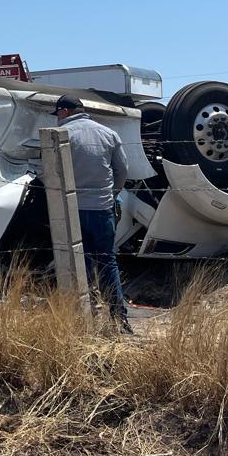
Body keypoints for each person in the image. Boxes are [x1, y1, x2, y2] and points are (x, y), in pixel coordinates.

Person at [53, 95, 131, 331]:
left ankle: (85, 317)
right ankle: (119, 318)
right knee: (107, 261)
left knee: (79, 264)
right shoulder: (108, 134)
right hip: (102, 208)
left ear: (64, 112)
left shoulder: (61, 135)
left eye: (57, 114)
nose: (57, 118)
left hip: (72, 209)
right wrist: (111, 194)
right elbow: (123, 170)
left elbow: (51, 172)